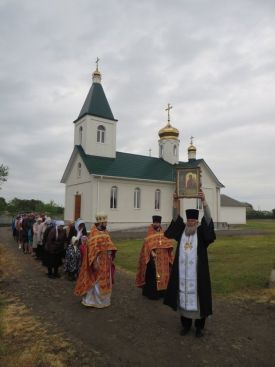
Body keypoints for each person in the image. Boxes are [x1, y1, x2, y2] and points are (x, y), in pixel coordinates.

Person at [164, 191, 216, 338]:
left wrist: (204, 201)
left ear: (197, 222)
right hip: (182, 276)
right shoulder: (182, 231)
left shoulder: (201, 233)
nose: (190, 223)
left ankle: (199, 327)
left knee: (200, 300)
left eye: (193, 221)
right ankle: (186, 326)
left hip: (198, 275)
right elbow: (175, 218)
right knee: (183, 300)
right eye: (189, 221)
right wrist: (175, 201)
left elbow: (208, 219)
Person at [74, 213, 117, 308]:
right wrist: (94, 262)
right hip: (97, 260)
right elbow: (92, 250)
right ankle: (92, 301)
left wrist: (111, 253)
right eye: (105, 222)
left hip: (106, 260)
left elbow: (110, 244)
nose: (106, 223)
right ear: (100, 222)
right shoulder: (94, 234)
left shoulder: (105, 232)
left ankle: (104, 301)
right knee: (96, 280)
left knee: (106, 280)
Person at [136, 215, 174, 300]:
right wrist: (151, 252)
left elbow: (167, 241)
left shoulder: (162, 232)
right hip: (153, 259)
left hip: (163, 258)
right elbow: (147, 244)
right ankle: (152, 294)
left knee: (164, 275)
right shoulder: (150, 232)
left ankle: (162, 292)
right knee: (154, 276)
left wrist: (169, 248)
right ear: (153, 223)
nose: (157, 224)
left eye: (158, 222)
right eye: (155, 222)